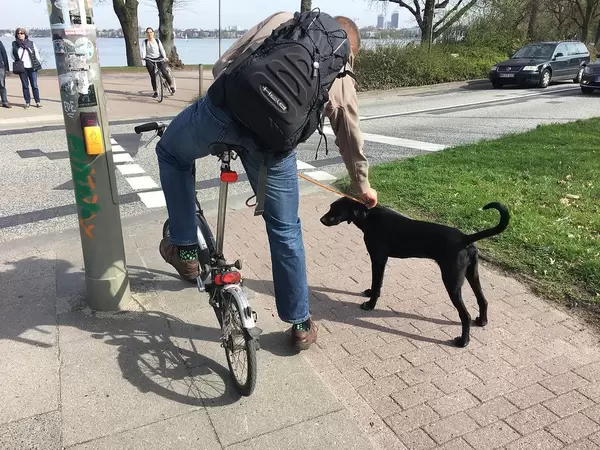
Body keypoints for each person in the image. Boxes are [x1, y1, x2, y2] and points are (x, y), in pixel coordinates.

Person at [155, 11, 378, 351]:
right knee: (285, 228)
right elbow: (347, 128)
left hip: (221, 114)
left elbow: (224, 64)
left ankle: (185, 248)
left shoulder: (286, 19)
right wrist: (361, 184)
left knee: (171, 153)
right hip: (272, 146)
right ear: (351, 50)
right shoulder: (340, 66)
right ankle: (300, 322)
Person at [11, 28, 42, 109]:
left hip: (32, 67)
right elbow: (12, 55)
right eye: (18, 33)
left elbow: (37, 54)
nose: (20, 35)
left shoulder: (31, 43)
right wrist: (18, 61)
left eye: (22, 33)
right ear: (16, 35)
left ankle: (37, 102)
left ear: (25, 34)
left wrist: (36, 62)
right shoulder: (14, 44)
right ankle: (27, 102)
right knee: (25, 86)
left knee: (34, 85)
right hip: (22, 68)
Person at [140, 27, 175, 97]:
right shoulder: (145, 42)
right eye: (148, 33)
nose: (149, 34)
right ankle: (155, 91)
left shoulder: (157, 40)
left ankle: (171, 86)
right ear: (146, 34)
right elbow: (143, 51)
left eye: (150, 32)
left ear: (153, 33)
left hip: (159, 58)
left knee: (164, 71)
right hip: (149, 59)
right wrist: (143, 57)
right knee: (152, 75)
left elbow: (161, 49)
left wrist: (164, 57)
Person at [0, 40, 11, 108]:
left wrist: (7, 67)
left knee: (2, 84)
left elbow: (4, 53)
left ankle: (4, 101)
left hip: (0, 66)